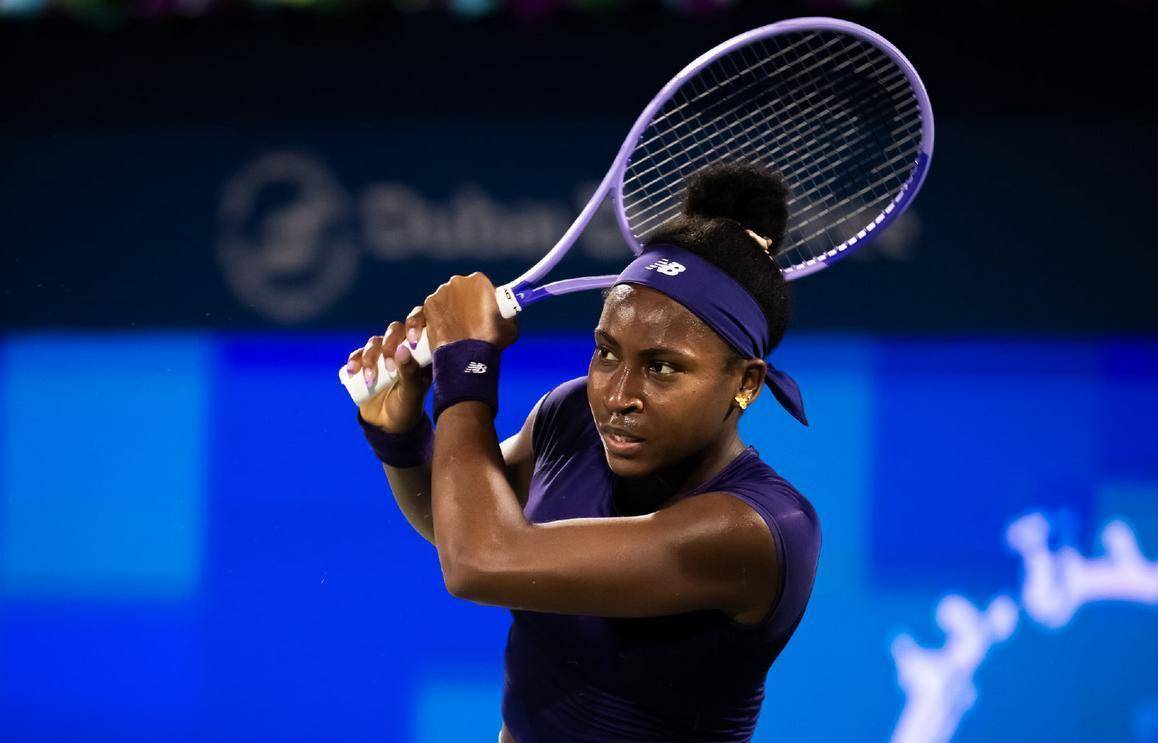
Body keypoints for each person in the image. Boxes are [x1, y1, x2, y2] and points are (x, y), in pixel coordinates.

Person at [345, 162, 821, 742]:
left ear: (746, 383)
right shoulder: (574, 416)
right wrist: (400, 437)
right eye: (607, 352)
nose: (619, 396)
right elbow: (459, 527)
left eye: (662, 367)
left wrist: (466, 366)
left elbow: (480, 561)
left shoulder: (756, 530)